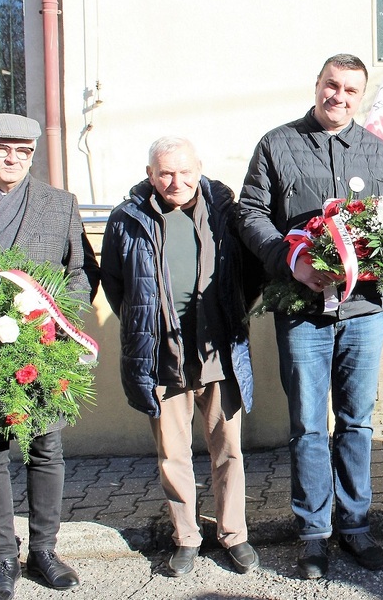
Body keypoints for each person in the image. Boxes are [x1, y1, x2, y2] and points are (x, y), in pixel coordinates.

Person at [238, 54, 383, 579]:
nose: (340, 97)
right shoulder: (277, 143)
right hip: (302, 310)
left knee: (356, 422)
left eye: (352, 90)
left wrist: (381, 264)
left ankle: (355, 526)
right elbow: (250, 213)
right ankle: (313, 533)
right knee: (308, 426)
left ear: (361, 95)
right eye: (333, 86)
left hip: (362, 311)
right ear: (317, 85)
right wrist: (293, 260)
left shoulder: (377, 151)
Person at [0, 113, 99, 600]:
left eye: (23, 152)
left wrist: (53, 322)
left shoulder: (58, 204)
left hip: (41, 354)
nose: (12, 159)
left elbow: (80, 273)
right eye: (2, 150)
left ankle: (45, 551)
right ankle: (2, 558)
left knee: (47, 450)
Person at [100, 137, 260, 578]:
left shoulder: (225, 213)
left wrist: (230, 315)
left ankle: (234, 535)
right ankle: (186, 537)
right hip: (161, 358)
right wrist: (148, 326)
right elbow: (117, 288)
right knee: (173, 454)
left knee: (228, 451)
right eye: (166, 173)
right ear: (150, 174)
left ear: (199, 169)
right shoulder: (126, 220)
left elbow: (250, 276)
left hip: (219, 353)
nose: (177, 181)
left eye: (185, 171)